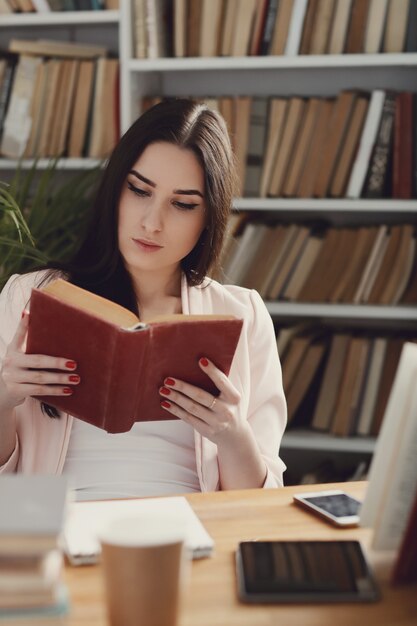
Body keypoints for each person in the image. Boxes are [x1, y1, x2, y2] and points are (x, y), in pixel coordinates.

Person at [0, 99, 287, 499]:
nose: (152, 223)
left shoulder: (243, 316)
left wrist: (233, 434)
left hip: (187, 528)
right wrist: (3, 400)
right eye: (139, 190)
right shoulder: (27, 297)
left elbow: (257, 505)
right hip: (61, 527)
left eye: (183, 204)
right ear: (115, 189)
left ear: (209, 217)